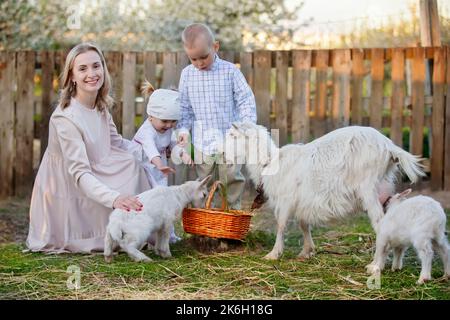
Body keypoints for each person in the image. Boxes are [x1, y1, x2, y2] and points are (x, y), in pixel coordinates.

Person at [26, 43, 149, 253]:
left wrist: (151, 152)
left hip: (97, 167)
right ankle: (105, 230)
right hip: (70, 182)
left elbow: (117, 142)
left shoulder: (99, 106)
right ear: (72, 76)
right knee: (122, 184)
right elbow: (80, 173)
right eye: (82, 69)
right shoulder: (65, 118)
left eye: (96, 66)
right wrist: (115, 198)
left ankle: (136, 228)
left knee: (132, 163)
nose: (91, 74)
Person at [177, 23, 257, 210]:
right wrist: (183, 131)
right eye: (193, 59)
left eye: (204, 57)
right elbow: (184, 108)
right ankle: (208, 223)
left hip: (230, 140)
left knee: (231, 180)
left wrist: (246, 127)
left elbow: (245, 99)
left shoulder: (230, 71)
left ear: (215, 47)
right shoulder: (187, 75)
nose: (199, 63)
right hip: (202, 143)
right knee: (204, 182)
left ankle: (231, 219)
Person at [127, 81, 193, 243]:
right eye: (165, 121)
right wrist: (160, 165)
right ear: (150, 116)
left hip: (158, 169)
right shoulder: (146, 131)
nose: (169, 125)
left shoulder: (168, 129)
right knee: (146, 202)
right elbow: (150, 150)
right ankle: (140, 234)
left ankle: (167, 235)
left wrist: (184, 155)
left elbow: (173, 144)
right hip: (143, 168)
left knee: (164, 201)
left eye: (173, 122)